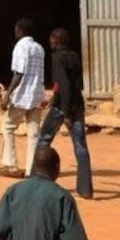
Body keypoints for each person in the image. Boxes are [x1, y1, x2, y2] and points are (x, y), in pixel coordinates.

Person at [38, 28, 93, 199]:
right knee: (80, 146)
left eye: (51, 40)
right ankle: (85, 189)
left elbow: (64, 84)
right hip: (77, 104)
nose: (50, 43)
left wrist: (66, 113)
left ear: (55, 41)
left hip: (63, 107)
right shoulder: (74, 56)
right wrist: (52, 98)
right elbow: (65, 84)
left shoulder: (57, 58)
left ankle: (37, 180)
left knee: (44, 140)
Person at [2, 18, 45, 177]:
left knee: (7, 126)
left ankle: (11, 165)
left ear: (20, 30)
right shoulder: (39, 48)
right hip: (37, 95)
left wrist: (7, 95)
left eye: (16, 29)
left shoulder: (20, 46)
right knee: (34, 133)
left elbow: (18, 74)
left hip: (22, 95)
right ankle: (31, 170)